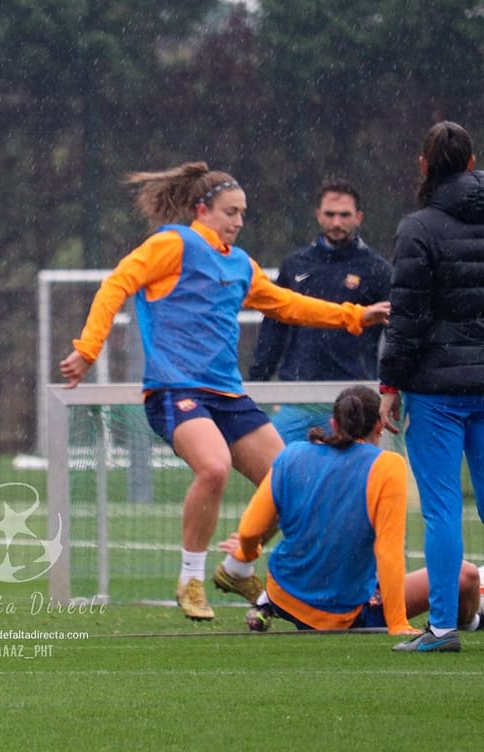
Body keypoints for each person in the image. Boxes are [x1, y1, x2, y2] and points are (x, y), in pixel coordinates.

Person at [60, 162, 390, 621]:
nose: (237, 221)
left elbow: (288, 305)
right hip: (174, 389)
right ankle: (190, 579)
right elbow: (117, 283)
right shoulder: (173, 243)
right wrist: (88, 347)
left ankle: (237, 568)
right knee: (213, 467)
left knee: (288, 481)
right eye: (229, 212)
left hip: (226, 394)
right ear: (202, 210)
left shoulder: (240, 264)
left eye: (242, 213)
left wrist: (354, 316)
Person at [221, 385, 483, 638]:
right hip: (343, 613)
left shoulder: (292, 454)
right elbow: (388, 552)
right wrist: (398, 623)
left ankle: (268, 604)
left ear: (333, 424)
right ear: (380, 427)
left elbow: (250, 529)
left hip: (284, 591)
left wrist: (247, 552)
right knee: (466, 576)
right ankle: (472, 621)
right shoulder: (386, 466)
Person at [380, 121, 484, 653]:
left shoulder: (418, 228)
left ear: (423, 167)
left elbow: (408, 318)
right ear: (471, 163)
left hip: (437, 389)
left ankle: (442, 628)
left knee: (443, 509)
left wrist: (389, 383)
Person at [249, 180, 393, 443]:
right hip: (297, 395)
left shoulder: (377, 270)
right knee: (273, 466)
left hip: (353, 399)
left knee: (351, 477)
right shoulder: (295, 264)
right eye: (329, 214)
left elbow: (398, 332)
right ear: (318, 215)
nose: (336, 222)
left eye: (344, 215)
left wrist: (394, 384)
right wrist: (258, 379)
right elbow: (274, 326)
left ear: (359, 217)